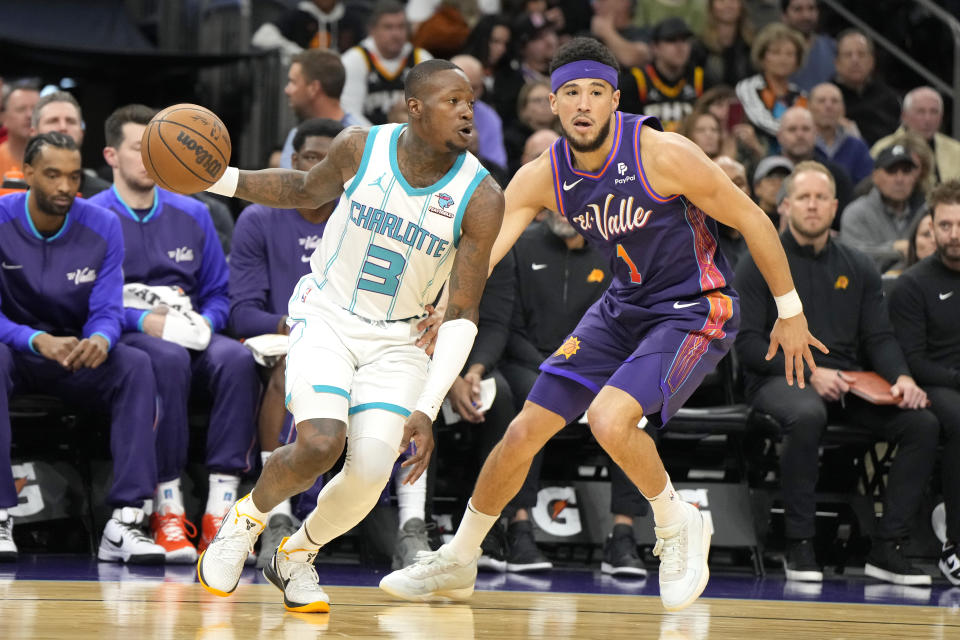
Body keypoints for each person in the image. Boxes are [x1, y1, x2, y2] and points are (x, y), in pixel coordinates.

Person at [380, 36, 823, 612]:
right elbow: (488, 247)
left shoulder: (663, 153)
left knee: (610, 419)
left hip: (695, 307)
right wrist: (447, 304)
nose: (583, 103)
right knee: (521, 432)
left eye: (595, 92)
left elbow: (754, 218)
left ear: (614, 100)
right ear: (553, 103)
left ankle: (676, 519)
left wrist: (790, 311)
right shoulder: (544, 174)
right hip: (623, 306)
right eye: (570, 93)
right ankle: (459, 560)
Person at [196, 58, 504, 613]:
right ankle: (245, 520)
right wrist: (221, 179)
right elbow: (303, 190)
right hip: (328, 316)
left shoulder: (481, 197)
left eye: (471, 100)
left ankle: (296, 555)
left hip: (400, 341)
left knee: (368, 474)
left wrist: (429, 408)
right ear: (415, 108)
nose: (467, 110)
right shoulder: (362, 147)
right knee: (320, 443)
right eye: (453, 101)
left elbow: (462, 311)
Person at [735, 160, 938, 586]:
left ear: (835, 206)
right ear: (785, 206)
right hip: (778, 381)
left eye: (820, 198)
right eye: (803, 198)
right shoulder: (758, 261)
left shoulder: (860, 265)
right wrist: (811, 373)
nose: (812, 206)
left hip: (847, 384)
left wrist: (901, 378)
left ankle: (888, 546)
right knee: (808, 414)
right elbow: (748, 345)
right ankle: (799, 544)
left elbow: (879, 337)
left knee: (920, 424)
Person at [89, 105, 261, 564]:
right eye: (136, 147)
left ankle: (221, 511)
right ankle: (168, 509)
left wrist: (206, 322)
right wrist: (140, 321)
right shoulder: (92, 215)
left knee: (237, 359)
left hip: (190, 329)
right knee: (163, 358)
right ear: (110, 155)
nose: (149, 156)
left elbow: (220, 293)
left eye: (155, 146)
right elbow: (85, 302)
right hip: (130, 337)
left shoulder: (195, 212)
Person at [0, 132, 164, 563]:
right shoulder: (0, 218)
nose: (64, 187)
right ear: (28, 173)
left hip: (76, 354)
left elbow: (109, 307)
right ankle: (0, 514)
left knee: (135, 363)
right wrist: (36, 340)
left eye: (73, 177)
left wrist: (101, 339)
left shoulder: (102, 223)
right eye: (52, 175)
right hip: (17, 351)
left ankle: (125, 521)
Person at [229, 118, 343, 567]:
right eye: (313, 158)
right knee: (289, 365)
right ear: (294, 163)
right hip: (279, 344)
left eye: (333, 162)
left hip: (345, 343)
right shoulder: (258, 218)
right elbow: (241, 312)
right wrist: (294, 325)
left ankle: (407, 518)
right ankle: (275, 511)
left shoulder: (358, 218)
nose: (321, 170)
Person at [889, 179, 960, 585]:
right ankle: (955, 544)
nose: (954, 235)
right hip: (934, 384)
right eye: (945, 225)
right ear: (931, 227)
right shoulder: (913, 284)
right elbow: (912, 359)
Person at [340, 0, 433, 126]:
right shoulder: (354, 60)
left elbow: (433, 110)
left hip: (410, 137)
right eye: (388, 27)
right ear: (372, 30)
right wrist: (380, 138)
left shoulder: (421, 59)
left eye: (401, 27)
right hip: (367, 139)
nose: (396, 34)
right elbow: (349, 113)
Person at [840, 144, 925, 273]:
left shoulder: (924, 212)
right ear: (875, 176)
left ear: (914, 177)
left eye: (906, 171)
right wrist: (896, 249)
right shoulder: (856, 213)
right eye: (891, 171)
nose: (900, 179)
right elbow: (851, 258)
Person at [280, 49, 370, 169]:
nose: (287, 90)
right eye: (311, 157)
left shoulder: (365, 139)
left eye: (293, 82)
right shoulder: (295, 135)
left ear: (313, 88)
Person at [619, 17, 705, 132]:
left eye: (684, 40)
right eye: (671, 40)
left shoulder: (701, 79)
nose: (680, 47)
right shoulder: (636, 81)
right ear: (654, 47)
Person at [735, 22, 807, 151]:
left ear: (797, 61)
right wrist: (792, 133)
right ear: (762, 57)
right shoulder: (748, 88)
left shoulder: (800, 96)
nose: (783, 59)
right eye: (776, 53)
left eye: (790, 54)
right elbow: (761, 121)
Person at [871, 87, 960, 185]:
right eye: (920, 112)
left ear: (941, 117)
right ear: (904, 116)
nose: (928, 119)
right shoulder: (882, 148)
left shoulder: (956, 150)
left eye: (934, 112)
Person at [30, 91, 111, 198]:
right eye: (53, 121)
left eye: (71, 121)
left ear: (81, 133)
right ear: (33, 133)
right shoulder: (15, 193)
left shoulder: (105, 195)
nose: (63, 127)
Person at [776, 106, 853, 214]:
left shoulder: (836, 176)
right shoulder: (766, 174)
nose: (800, 135)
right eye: (792, 129)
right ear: (779, 136)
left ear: (815, 134)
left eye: (806, 129)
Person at [831, 30, 900, 147]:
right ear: (837, 63)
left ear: (872, 61)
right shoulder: (827, 98)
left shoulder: (888, 97)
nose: (855, 60)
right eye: (848, 55)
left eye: (861, 54)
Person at [809, 82, 872, 185]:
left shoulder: (857, 147)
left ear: (843, 109)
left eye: (834, 101)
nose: (828, 106)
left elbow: (866, 184)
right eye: (821, 101)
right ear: (809, 107)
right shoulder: (802, 145)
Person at [250, 0, 366, 55]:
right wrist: (298, 54)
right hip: (305, 80)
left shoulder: (351, 19)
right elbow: (261, 38)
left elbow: (366, 47)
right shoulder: (298, 15)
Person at [780, 0, 834, 92]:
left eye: (811, 8)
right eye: (798, 9)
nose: (806, 16)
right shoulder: (773, 52)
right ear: (784, 16)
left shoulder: (833, 47)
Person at [0, 83, 39, 179]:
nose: (29, 115)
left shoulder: (53, 161)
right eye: (21, 109)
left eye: (35, 109)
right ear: (4, 118)